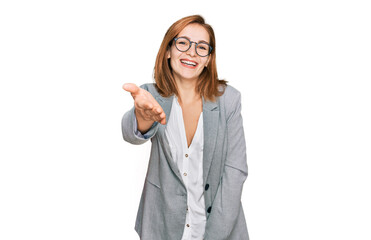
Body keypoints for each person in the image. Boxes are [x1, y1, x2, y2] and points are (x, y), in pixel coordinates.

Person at [121, 15, 249, 240]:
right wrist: (142, 117)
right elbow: (131, 133)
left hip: (219, 228)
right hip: (162, 226)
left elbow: (235, 171)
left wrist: (214, 236)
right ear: (168, 50)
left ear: (209, 59)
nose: (191, 52)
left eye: (202, 47)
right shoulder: (151, 95)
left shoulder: (229, 99)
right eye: (183, 43)